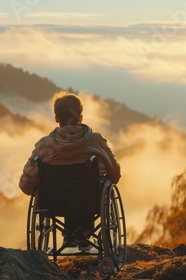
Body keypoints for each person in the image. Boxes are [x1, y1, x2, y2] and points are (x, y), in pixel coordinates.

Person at [19, 91, 121, 251]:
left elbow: (25, 185)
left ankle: (70, 235)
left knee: (65, 190)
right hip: (91, 201)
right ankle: (85, 234)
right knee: (87, 189)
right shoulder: (97, 141)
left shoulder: (43, 146)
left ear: (57, 119)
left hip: (54, 204)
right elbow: (115, 175)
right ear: (80, 118)